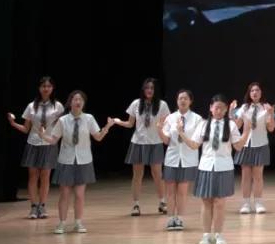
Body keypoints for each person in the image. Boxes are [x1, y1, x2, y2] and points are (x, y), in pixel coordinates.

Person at [39, 90, 114, 234]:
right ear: (70, 102)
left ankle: (78, 223)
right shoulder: (63, 120)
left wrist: (107, 127)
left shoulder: (89, 118)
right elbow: (53, 140)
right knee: (65, 194)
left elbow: (98, 137)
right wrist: (42, 135)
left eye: (80, 100)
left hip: (84, 160)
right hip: (66, 160)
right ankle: (62, 223)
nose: (78, 102)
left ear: (83, 103)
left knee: (80, 194)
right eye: (75, 99)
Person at [179, 93, 248, 244]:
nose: (219, 111)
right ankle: (206, 235)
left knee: (219, 203)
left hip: (224, 167)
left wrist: (247, 130)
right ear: (210, 108)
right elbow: (194, 145)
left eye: (222, 108)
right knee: (206, 202)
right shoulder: (203, 125)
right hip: (206, 166)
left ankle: (218, 234)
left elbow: (238, 146)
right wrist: (181, 132)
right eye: (216, 107)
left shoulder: (231, 125)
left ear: (226, 110)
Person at [110, 77, 170, 216]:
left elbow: (165, 125)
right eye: (147, 88)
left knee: (157, 174)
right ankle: (136, 204)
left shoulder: (162, 105)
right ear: (143, 90)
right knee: (137, 175)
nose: (149, 90)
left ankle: (162, 202)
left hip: (155, 142)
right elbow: (130, 123)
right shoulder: (136, 103)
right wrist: (118, 122)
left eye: (152, 88)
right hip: (138, 142)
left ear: (155, 90)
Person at [6, 75, 63, 219]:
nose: (46, 89)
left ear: (52, 88)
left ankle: (42, 206)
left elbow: (61, 126)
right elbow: (26, 129)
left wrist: (55, 138)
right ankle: (33, 207)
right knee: (33, 176)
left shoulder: (58, 106)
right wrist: (13, 123)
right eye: (43, 86)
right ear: (39, 88)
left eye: (48, 86)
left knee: (45, 176)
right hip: (33, 142)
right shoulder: (31, 106)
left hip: (49, 143)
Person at [158, 88, 203, 231]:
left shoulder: (197, 119)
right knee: (170, 192)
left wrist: (181, 131)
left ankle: (180, 219)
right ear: (177, 101)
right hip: (172, 158)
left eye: (185, 98)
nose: (182, 101)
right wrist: (159, 130)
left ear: (190, 101)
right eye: (180, 98)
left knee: (182, 192)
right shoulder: (170, 118)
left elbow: (196, 141)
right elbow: (166, 140)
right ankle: (171, 219)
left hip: (188, 159)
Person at [233, 81, 275, 215]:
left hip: (260, 144)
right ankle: (245, 203)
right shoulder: (244, 108)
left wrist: (271, 113)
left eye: (257, 90)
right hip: (245, 143)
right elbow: (237, 126)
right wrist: (232, 113)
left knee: (258, 176)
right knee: (245, 176)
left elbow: (271, 128)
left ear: (261, 92)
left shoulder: (266, 107)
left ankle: (258, 203)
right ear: (249, 93)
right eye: (252, 91)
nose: (255, 92)